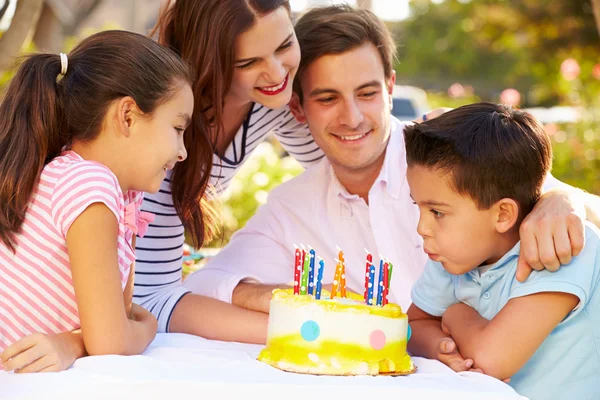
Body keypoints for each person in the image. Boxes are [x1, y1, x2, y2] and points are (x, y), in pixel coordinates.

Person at [185, 4, 600, 371]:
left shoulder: (450, 157)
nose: (352, 117)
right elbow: (203, 284)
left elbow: (561, 208)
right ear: (297, 107)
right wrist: (275, 294)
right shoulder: (292, 205)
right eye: (327, 98)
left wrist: (560, 199)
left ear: (389, 87)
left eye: (366, 93)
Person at [0, 30, 193, 372]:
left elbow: (117, 318)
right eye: (178, 129)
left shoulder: (102, 188)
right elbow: (113, 341)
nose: (182, 152)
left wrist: (76, 341)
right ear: (128, 116)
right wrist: (149, 328)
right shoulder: (89, 184)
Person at [405, 103, 599, 400]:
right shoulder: (453, 255)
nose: (422, 228)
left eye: (437, 212)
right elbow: (413, 325)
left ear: (502, 215)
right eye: (417, 206)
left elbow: (492, 360)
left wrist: (455, 316)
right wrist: (441, 350)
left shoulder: (560, 246)